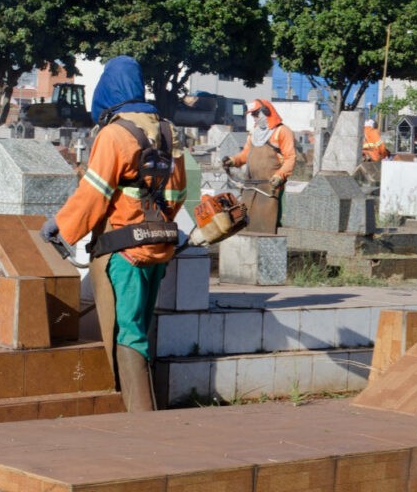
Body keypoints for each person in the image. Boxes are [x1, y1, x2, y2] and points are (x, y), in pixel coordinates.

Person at [40, 56, 186, 412]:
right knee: (141, 328)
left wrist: (62, 224)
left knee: (128, 333)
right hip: (159, 248)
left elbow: (94, 192)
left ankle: (140, 419)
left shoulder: (114, 134)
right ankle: (143, 409)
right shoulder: (168, 130)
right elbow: (180, 190)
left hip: (124, 253)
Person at [222, 98, 295, 233]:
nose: (254, 118)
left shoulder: (282, 131)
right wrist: (233, 160)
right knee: (244, 221)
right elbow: (246, 154)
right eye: (252, 115)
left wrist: (280, 176)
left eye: (256, 114)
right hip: (250, 186)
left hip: (270, 187)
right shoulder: (254, 132)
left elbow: (290, 158)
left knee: (266, 224)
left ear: (266, 112)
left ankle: (267, 248)